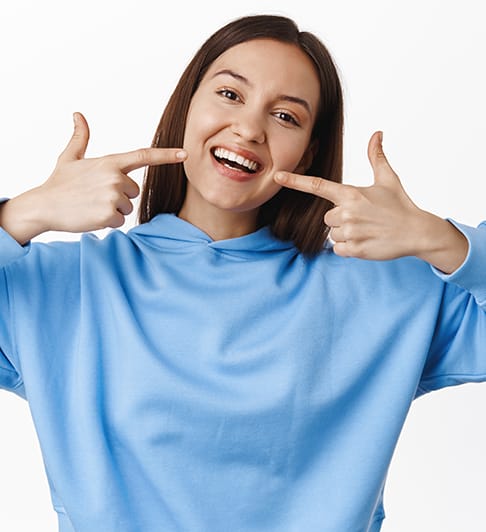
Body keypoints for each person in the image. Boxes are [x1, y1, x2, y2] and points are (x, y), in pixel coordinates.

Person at [0, 13, 484, 532]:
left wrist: (439, 239)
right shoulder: (65, 285)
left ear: (309, 153)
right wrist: (24, 214)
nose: (250, 129)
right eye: (230, 94)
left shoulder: (384, 291)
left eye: (286, 116)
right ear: (187, 107)